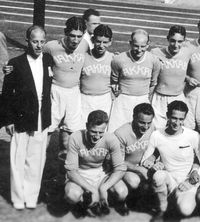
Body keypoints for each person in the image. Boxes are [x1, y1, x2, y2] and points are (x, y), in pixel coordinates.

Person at [1, 25, 52, 209]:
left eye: (41, 41)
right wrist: (8, 120)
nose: (38, 45)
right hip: (22, 117)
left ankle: (31, 197)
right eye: (35, 41)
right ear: (27, 41)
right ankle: (17, 198)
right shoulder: (15, 63)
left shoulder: (48, 60)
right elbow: (6, 94)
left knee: (36, 159)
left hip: (41, 117)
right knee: (18, 158)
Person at [141, 100, 200, 221]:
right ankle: (163, 208)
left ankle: (178, 201)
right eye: (174, 118)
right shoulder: (157, 135)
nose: (177, 123)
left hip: (187, 180)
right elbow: (145, 160)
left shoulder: (193, 135)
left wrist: (193, 176)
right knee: (158, 176)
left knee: (185, 210)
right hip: (169, 178)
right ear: (167, 116)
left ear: (185, 118)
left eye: (181, 119)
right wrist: (153, 164)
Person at [64, 110, 128, 217]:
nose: (97, 136)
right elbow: (71, 171)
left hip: (101, 173)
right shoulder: (75, 137)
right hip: (81, 174)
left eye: (101, 132)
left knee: (122, 192)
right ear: (87, 126)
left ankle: (106, 200)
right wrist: (92, 189)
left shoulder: (110, 139)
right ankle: (80, 203)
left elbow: (120, 168)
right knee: (72, 195)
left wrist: (104, 188)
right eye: (93, 131)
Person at [44, 16, 89, 153]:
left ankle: (61, 172)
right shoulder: (51, 47)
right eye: (72, 36)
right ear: (65, 32)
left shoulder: (85, 45)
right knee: (47, 131)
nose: (76, 40)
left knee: (68, 136)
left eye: (79, 36)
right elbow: (31, 60)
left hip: (74, 92)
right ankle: (37, 168)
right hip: (55, 91)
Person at [108, 29, 160, 132]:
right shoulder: (119, 59)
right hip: (123, 100)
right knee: (116, 131)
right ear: (130, 43)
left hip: (143, 99)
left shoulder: (154, 60)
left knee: (141, 132)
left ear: (148, 44)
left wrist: (146, 98)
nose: (139, 50)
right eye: (136, 46)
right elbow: (114, 82)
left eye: (143, 46)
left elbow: (153, 83)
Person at [150, 25, 193, 129]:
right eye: (173, 41)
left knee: (184, 128)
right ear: (167, 39)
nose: (176, 45)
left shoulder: (187, 52)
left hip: (178, 97)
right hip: (160, 98)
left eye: (180, 41)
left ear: (184, 41)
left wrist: (188, 78)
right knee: (158, 128)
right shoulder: (155, 53)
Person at [113, 103, 155, 200]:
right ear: (134, 117)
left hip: (145, 166)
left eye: (148, 122)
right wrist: (138, 169)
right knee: (134, 181)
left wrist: (152, 158)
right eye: (141, 122)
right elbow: (117, 162)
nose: (145, 127)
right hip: (127, 169)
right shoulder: (120, 134)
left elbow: (157, 146)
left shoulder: (152, 127)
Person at [80, 24, 114, 128]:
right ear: (93, 39)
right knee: (83, 128)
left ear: (110, 42)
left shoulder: (113, 58)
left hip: (104, 99)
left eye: (105, 42)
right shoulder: (83, 57)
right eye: (98, 41)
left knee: (101, 130)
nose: (101, 45)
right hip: (85, 99)